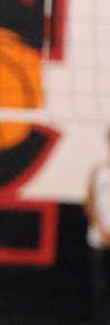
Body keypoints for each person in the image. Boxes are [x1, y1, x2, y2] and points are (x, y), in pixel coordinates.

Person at [84, 128, 110, 324]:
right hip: (99, 238)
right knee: (101, 289)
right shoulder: (99, 170)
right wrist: (101, 228)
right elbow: (89, 201)